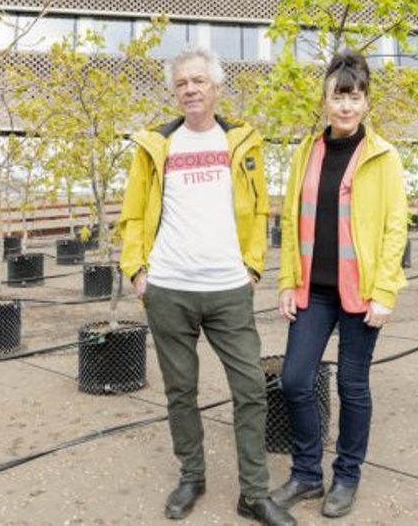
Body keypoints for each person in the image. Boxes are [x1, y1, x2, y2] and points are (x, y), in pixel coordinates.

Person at [119, 46, 295, 526]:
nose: (190, 89)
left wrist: (252, 268)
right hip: (169, 287)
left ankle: (254, 493)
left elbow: (260, 208)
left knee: (250, 389)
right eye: (182, 83)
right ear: (175, 93)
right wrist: (137, 270)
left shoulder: (242, 141)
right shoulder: (156, 145)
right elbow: (133, 212)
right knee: (181, 390)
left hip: (227, 288)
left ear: (217, 88)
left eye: (199, 81)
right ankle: (191, 477)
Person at [271, 50, 408, 519]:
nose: (346, 106)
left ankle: (346, 476)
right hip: (314, 289)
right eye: (338, 97)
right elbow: (290, 221)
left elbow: (395, 228)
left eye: (355, 97)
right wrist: (288, 282)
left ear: (366, 102)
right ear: (325, 99)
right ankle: (307, 474)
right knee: (294, 380)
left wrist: (385, 292)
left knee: (352, 386)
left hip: (361, 293)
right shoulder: (306, 152)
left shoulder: (383, 157)